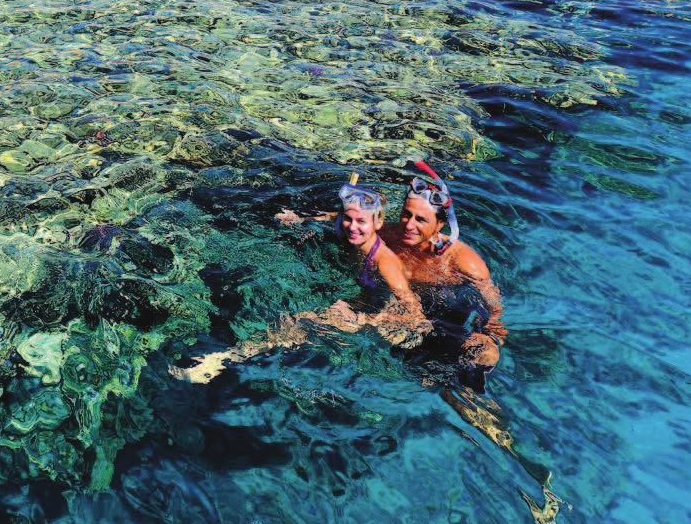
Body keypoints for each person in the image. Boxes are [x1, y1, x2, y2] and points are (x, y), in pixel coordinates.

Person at [169, 178, 432, 383]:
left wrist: (367, 320)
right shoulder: (354, 231)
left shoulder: (386, 264)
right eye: (349, 219)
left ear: (378, 222)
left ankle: (223, 360)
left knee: (299, 322)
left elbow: (417, 319)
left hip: (384, 315)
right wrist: (301, 219)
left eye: (361, 221)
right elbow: (334, 217)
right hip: (362, 298)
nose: (352, 227)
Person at [380, 161, 506, 391]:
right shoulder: (392, 235)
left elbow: (494, 312)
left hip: (452, 314)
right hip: (413, 314)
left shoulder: (466, 263)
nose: (409, 224)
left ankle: (476, 400)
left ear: (439, 225)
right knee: (422, 370)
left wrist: (486, 338)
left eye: (420, 219)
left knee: (471, 365)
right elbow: (354, 225)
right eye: (406, 215)